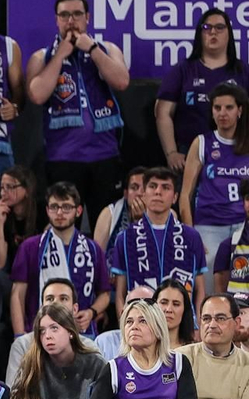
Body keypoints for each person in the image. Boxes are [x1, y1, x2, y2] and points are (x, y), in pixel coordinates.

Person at [26, 0, 131, 215]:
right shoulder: (41, 56)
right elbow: (37, 95)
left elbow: (122, 81)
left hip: (105, 157)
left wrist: (91, 49)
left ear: (88, 18)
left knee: (108, 228)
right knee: (63, 224)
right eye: (64, 15)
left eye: (77, 14)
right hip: (63, 158)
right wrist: (60, 55)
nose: (71, 21)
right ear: (56, 20)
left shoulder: (107, 49)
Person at [10, 182, 110, 337]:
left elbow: (104, 293)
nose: (60, 212)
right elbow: (17, 294)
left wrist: (91, 312)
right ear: (47, 210)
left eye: (66, 207)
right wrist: (19, 335)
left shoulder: (92, 249)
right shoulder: (31, 246)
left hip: (82, 333)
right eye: (54, 207)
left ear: (78, 211)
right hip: (40, 333)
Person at [108, 167, 209, 311]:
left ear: (175, 197)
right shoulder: (125, 238)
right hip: (143, 320)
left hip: (183, 322)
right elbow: (120, 294)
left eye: (165, 187)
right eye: (152, 186)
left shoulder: (191, 236)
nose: (158, 192)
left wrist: (198, 326)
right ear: (143, 194)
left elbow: (200, 290)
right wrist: (124, 327)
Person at [159, 10, 247, 171]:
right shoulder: (182, 70)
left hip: (236, 153)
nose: (213, 32)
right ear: (200, 33)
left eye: (220, 27)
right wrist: (171, 153)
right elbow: (163, 112)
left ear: (229, 33)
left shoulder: (243, 71)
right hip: (189, 155)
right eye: (207, 27)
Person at [180, 84, 249, 280]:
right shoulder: (202, 143)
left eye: (229, 107)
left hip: (243, 225)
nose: (222, 113)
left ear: (240, 110)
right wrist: (190, 235)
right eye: (217, 108)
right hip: (209, 227)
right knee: (210, 293)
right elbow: (185, 194)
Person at [87, 300, 198, 399]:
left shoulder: (178, 363)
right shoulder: (114, 368)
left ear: (159, 329)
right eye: (129, 321)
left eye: (143, 321)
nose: (134, 327)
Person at [11, 301, 108, 399]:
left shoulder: (96, 364)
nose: (47, 336)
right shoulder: (32, 363)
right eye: (42, 331)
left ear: (70, 332)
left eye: (54, 328)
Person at [178, 293, 249, 399]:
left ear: (237, 323)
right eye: (206, 318)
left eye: (220, 318)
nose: (212, 325)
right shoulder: (180, 358)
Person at [96, 166, 149, 251]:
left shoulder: (166, 214)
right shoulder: (109, 213)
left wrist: (141, 222)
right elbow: (98, 257)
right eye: (134, 188)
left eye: (145, 188)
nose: (139, 193)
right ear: (126, 194)